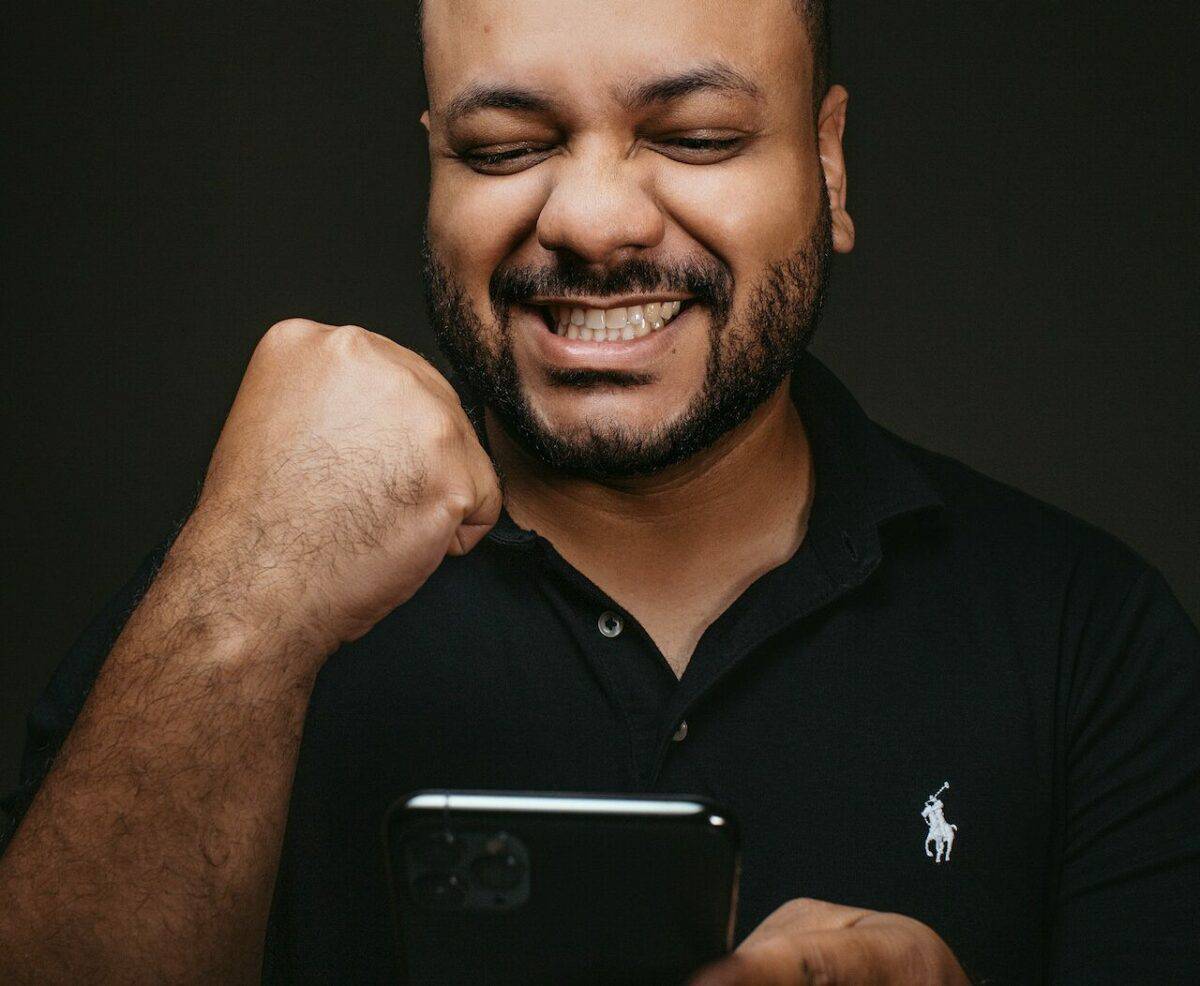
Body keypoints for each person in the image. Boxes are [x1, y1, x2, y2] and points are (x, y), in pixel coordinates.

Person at [1, 0, 1196, 982]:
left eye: (694, 136)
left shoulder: (1088, 641)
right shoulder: (227, 605)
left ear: (828, 165)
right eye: (506, 149)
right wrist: (241, 600)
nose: (590, 221)